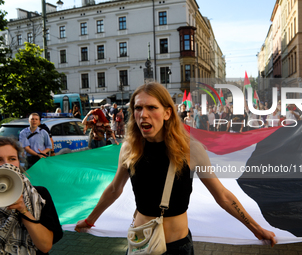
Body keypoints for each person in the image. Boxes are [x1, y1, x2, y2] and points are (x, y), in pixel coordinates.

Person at [74, 82, 277, 254]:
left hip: (177, 248)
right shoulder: (130, 148)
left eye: (152, 107)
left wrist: (256, 229)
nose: (143, 114)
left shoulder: (191, 149)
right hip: (140, 245)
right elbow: (114, 189)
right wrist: (90, 220)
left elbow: (222, 195)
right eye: (138, 108)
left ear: (167, 113)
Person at [0, 137, 63, 255]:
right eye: (0, 160)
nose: (6, 164)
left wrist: (24, 210)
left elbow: (45, 246)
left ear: (19, 162)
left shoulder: (40, 195)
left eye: (12, 159)